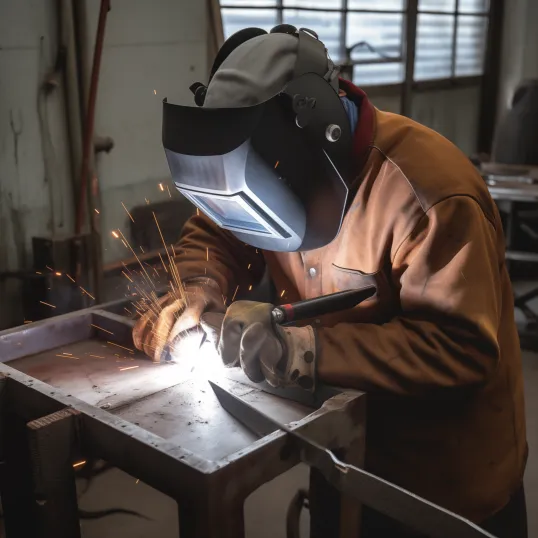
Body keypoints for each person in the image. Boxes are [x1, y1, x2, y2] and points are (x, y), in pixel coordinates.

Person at [133, 25, 527, 538]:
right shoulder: (265, 168)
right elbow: (220, 230)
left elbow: (458, 348)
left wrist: (305, 349)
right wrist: (196, 288)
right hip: (340, 456)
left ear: (318, 131)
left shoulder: (431, 195)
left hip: (443, 488)